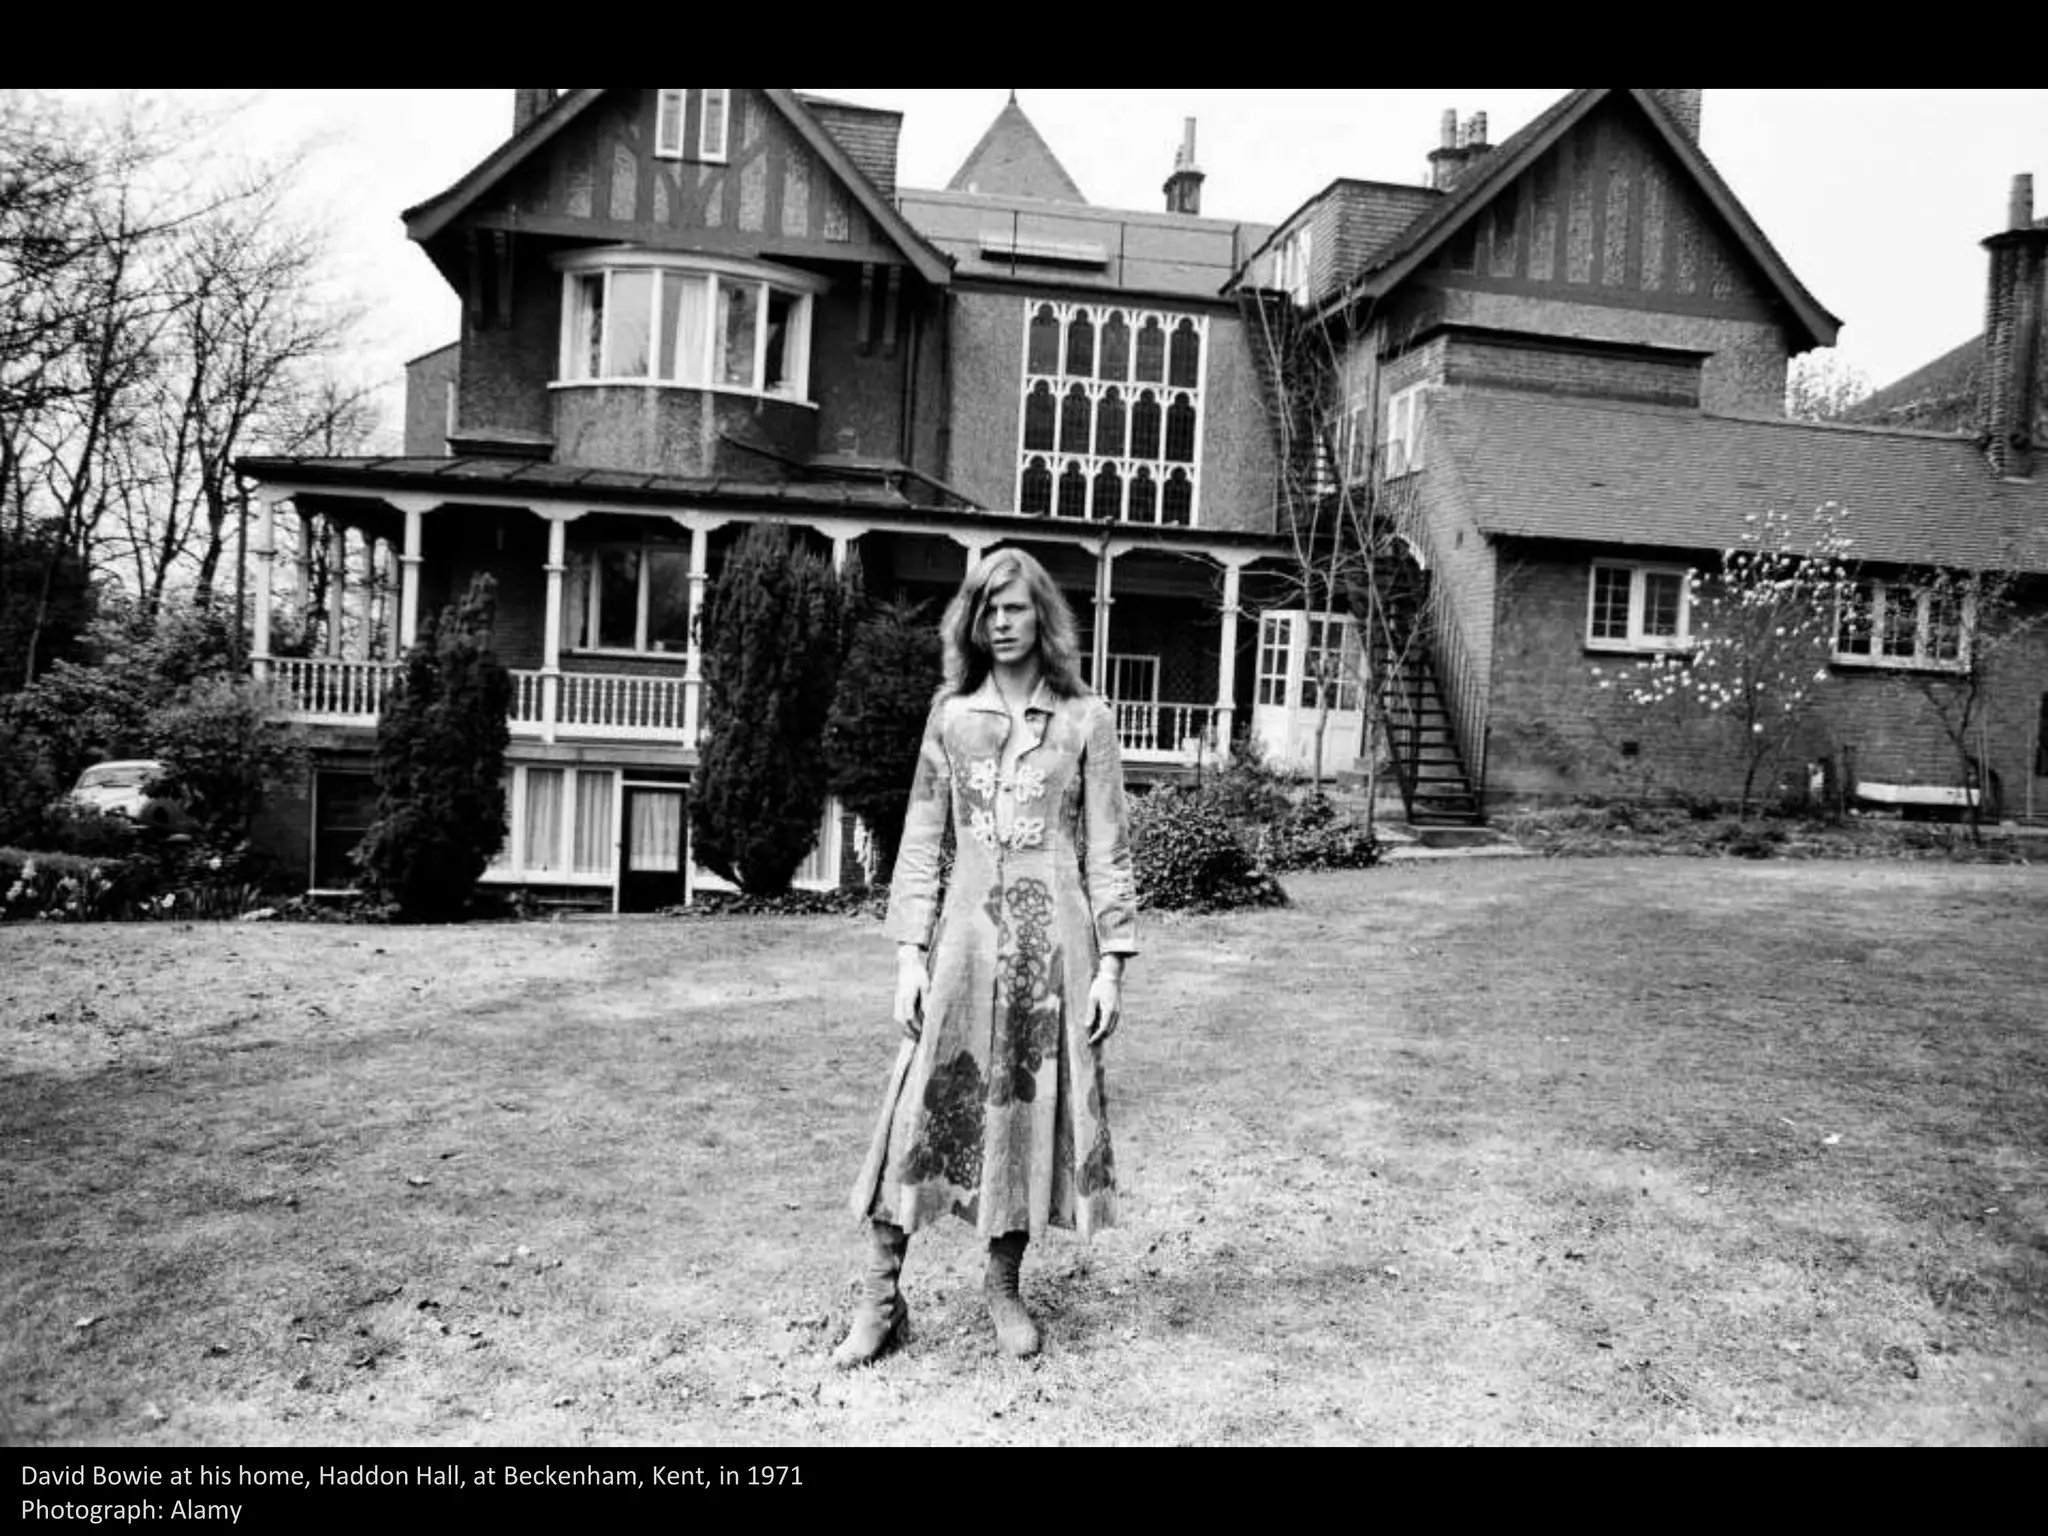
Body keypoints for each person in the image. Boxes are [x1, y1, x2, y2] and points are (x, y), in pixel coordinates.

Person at [833, 547, 1138, 1366]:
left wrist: (1112, 964)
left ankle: (1003, 1285)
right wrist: (908, 958)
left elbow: (1107, 850)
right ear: (971, 620)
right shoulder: (950, 715)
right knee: (914, 1108)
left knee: (1022, 1115)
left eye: (1015, 608)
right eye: (986, 610)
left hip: (1053, 953)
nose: (1000, 624)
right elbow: (922, 843)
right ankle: (880, 1297)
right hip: (963, 943)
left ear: (1043, 616)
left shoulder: (1085, 721)